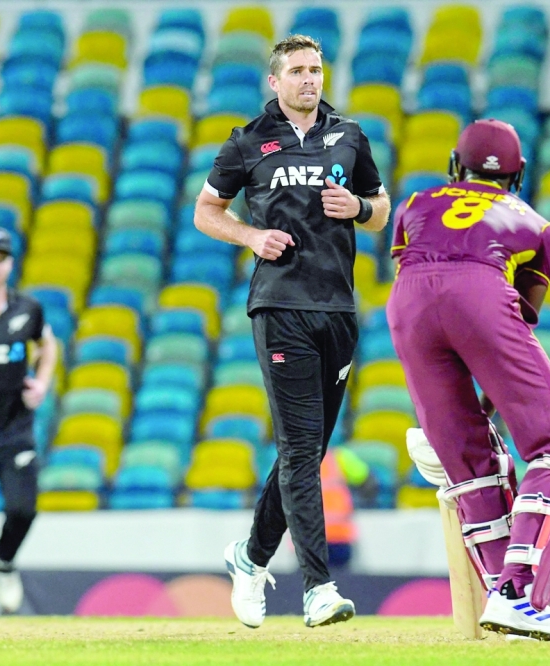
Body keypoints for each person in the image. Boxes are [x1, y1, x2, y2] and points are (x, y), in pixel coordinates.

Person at [194, 34, 390, 629]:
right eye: (298, 71)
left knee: (308, 452)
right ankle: (317, 588)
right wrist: (252, 237)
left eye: (316, 69)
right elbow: (207, 211)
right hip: (279, 305)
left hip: (338, 310)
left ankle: (250, 558)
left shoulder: (350, 135)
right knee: (301, 450)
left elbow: (381, 208)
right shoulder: (246, 141)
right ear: (274, 82)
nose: (310, 79)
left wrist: (356, 209)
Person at [387, 118, 550, 639]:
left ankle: (503, 594)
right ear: (518, 175)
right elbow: (514, 324)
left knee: (470, 467)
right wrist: (492, 399)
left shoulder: (414, 204)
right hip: (481, 293)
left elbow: (419, 288)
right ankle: (517, 594)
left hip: (407, 305)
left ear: (457, 166)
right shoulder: (536, 225)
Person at [0, 227, 56, 616]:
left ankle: (4, 561)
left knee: (22, 509)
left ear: (9, 266)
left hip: (15, 430)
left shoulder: (28, 310)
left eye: (1, 258)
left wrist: (42, 383)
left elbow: (48, 343)